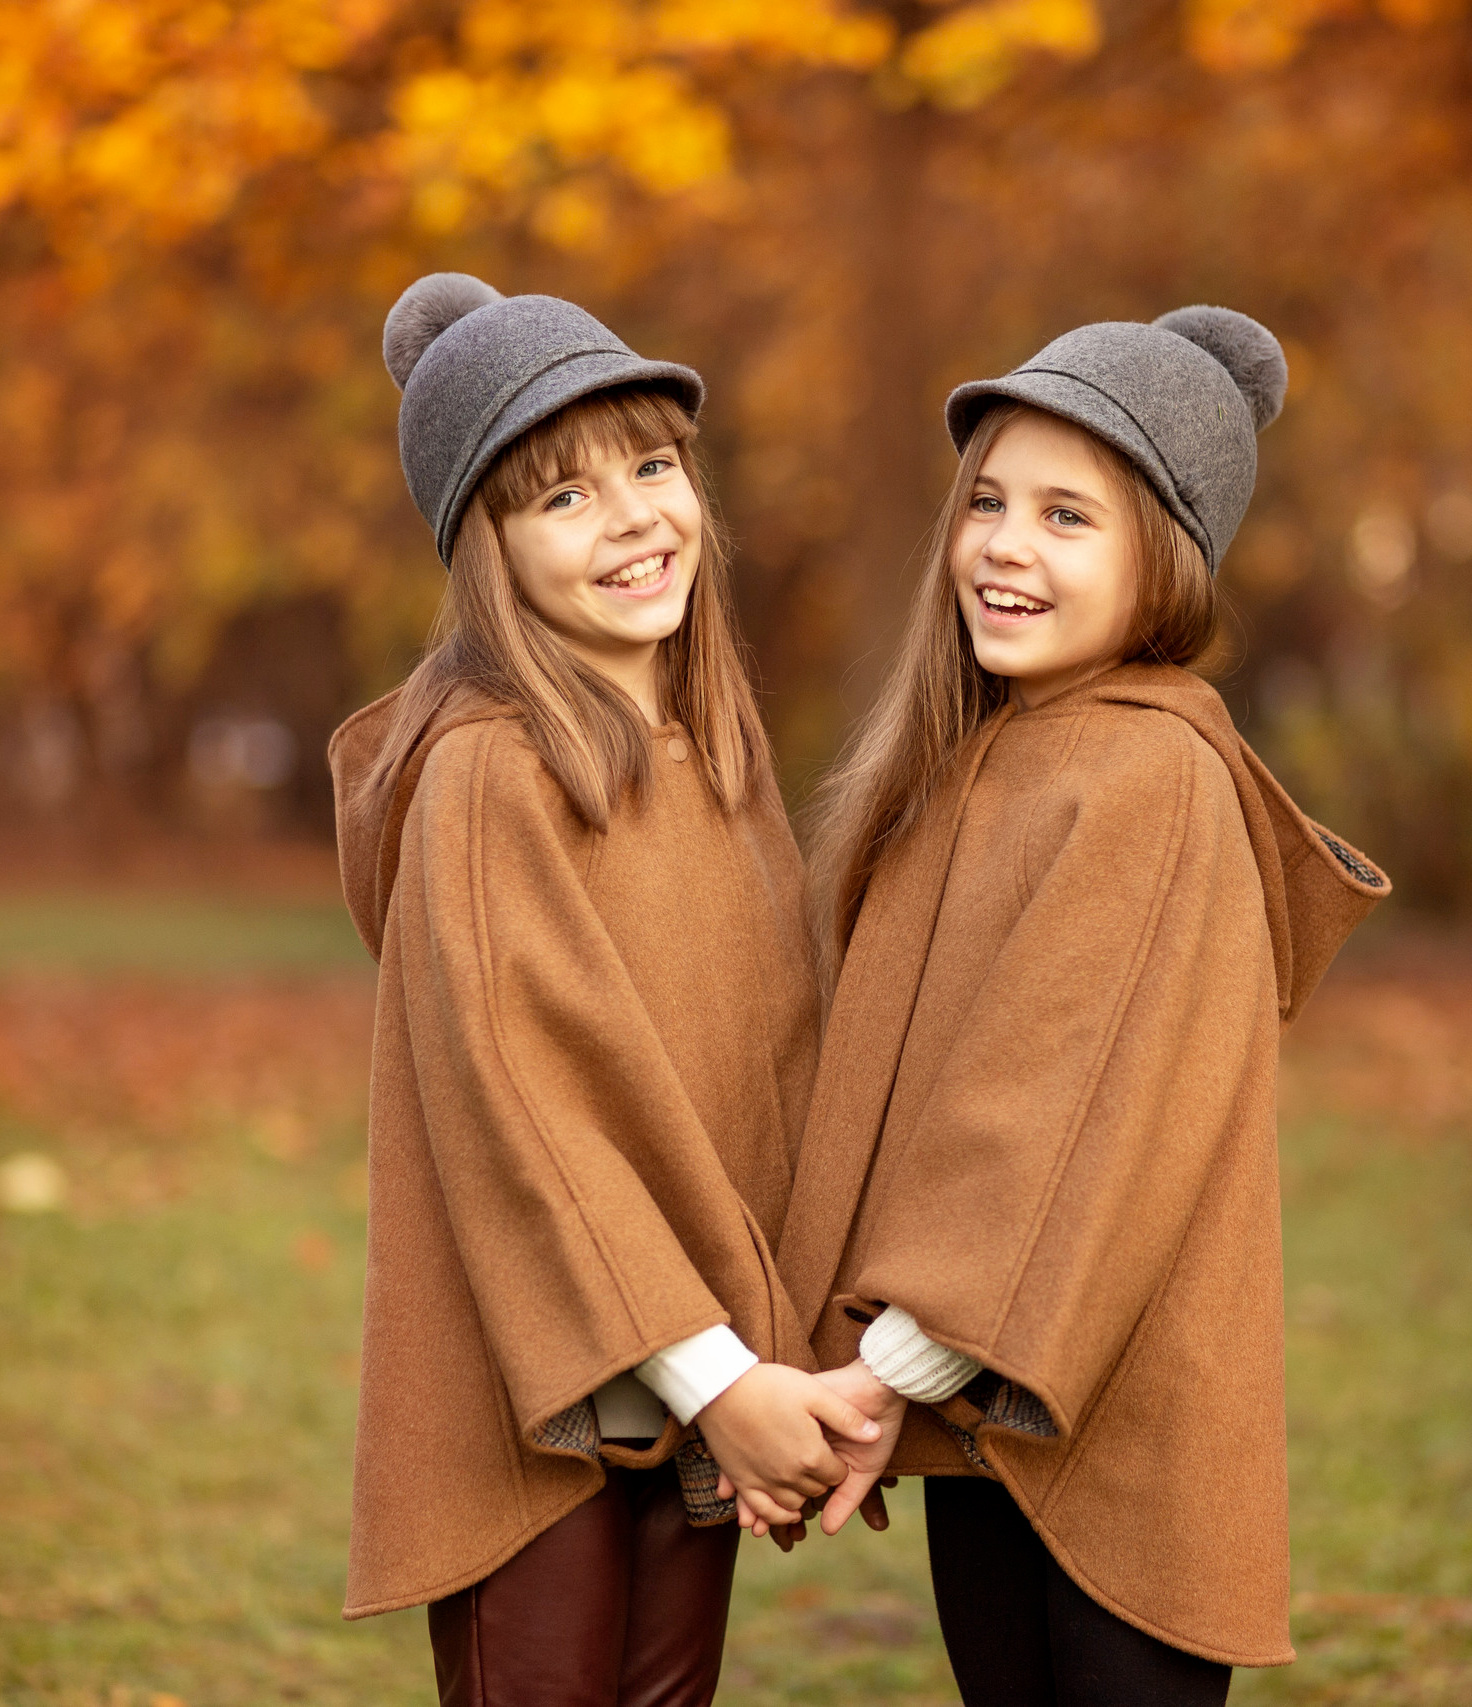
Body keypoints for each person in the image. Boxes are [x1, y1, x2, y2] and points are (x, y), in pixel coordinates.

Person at [777, 309, 1392, 1706]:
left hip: (1116, 1429)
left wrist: (878, 1376)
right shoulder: (987, 760)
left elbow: (1047, 1119)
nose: (1005, 546)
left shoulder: (1149, 780)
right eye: (988, 501)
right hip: (985, 1396)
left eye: (1069, 517)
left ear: (1162, 563)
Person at [328, 273, 880, 1707]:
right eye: (562, 498)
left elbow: (764, 1071)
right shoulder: (489, 772)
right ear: (485, 552)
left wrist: (788, 1360)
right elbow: (529, 1119)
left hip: (692, 1378)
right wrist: (724, 1384)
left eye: (651, 466)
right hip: (552, 1402)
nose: (636, 516)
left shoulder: (712, 761)